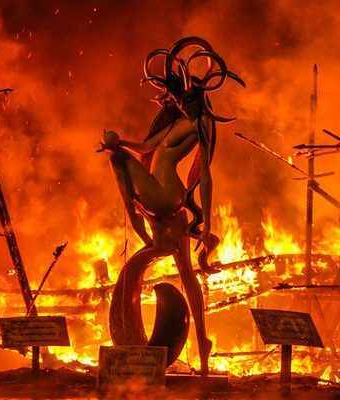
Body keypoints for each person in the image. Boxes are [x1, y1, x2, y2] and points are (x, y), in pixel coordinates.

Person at [100, 36, 244, 375]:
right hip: (164, 202)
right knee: (188, 275)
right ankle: (204, 341)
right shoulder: (173, 121)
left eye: (191, 99)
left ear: (201, 98)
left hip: (166, 195)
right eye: (182, 99)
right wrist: (120, 142)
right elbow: (146, 148)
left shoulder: (201, 123)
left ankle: (136, 220)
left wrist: (207, 223)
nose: (185, 104)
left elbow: (204, 174)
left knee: (118, 160)